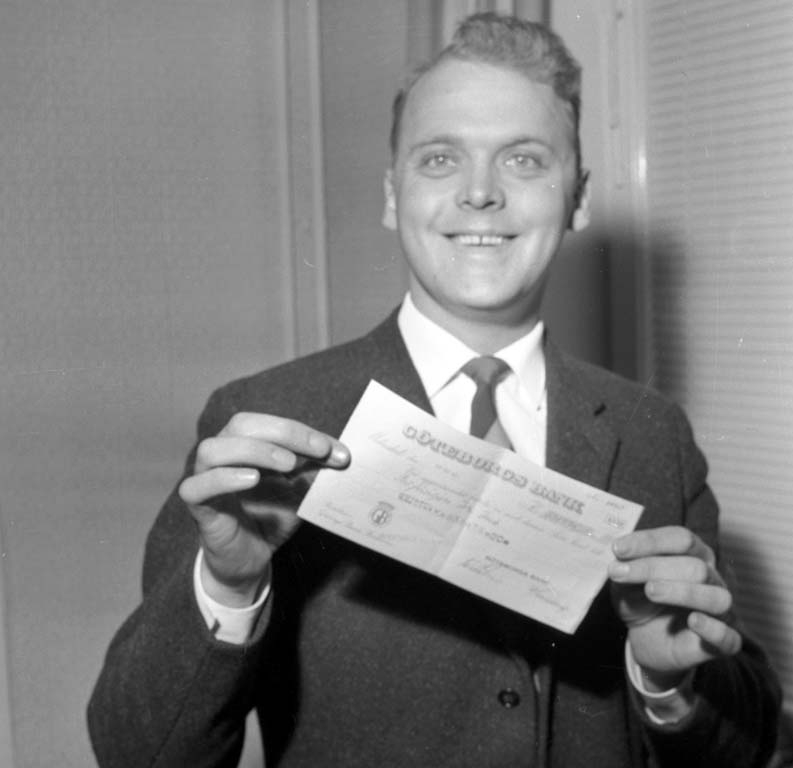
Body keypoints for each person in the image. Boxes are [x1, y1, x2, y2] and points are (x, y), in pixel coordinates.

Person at [88, 12, 780, 768]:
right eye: (441, 159)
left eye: (523, 160)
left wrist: (667, 685)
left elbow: (748, 748)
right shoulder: (268, 423)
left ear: (578, 198)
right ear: (393, 196)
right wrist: (227, 586)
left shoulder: (653, 435)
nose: (480, 193)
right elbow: (139, 754)